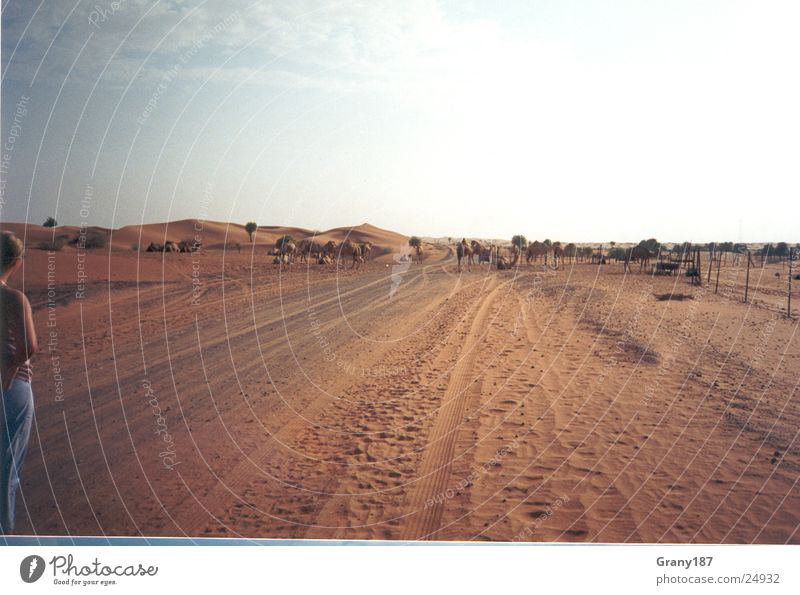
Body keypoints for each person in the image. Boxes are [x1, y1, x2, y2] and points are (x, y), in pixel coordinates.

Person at [0, 231, 37, 534]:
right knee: (7, 467)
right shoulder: (14, 298)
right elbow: (29, 345)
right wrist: (11, 367)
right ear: (15, 261)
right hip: (12, 388)